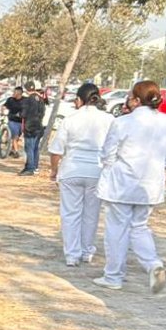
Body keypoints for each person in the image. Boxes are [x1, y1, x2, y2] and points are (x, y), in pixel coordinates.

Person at [92, 80, 166, 293]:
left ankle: (113, 275)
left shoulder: (123, 122)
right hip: (150, 185)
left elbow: (108, 153)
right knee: (139, 227)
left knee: (117, 230)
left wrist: (112, 168)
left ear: (137, 100)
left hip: (121, 183)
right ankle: (153, 264)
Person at [48, 82, 114, 266]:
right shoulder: (108, 120)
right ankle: (86, 252)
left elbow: (56, 150)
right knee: (91, 214)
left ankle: (72, 255)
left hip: (71, 170)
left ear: (79, 99)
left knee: (70, 214)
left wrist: (54, 171)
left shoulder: (70, 119)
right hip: (97, 172)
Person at [19, 84, 46, 175]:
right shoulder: (41, 99)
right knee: (35, 148)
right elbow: (43, 113)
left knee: (29, 148)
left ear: (26, 90)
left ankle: (30, 168)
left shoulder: (28, 100)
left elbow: (23, 114)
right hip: (39, 126)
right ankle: (35, 167)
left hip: (30, 127)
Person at [4, 86, 25, 157]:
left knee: (17, 137)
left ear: (19, 93)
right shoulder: (10, 100)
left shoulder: (25, 100)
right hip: (12, 121)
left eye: (15, 92)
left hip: (21, 121)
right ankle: (16, 151)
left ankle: (12, 150)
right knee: (15, 136)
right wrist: (2, 111)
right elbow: (4, 106)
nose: (13, 93)